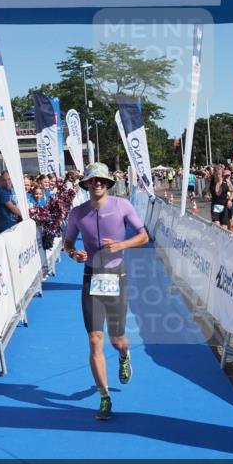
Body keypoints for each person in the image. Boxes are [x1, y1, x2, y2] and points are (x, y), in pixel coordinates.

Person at [63, 163, 149, 421]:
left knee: (117, 339)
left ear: (108, 184)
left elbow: (144, 236)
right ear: (86, 184)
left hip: (115, 276)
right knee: (94, 339)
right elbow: (68, 242)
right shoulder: (78, 213)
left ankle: (124, 353)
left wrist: (121, 245)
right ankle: (104, 397)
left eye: (101, 180)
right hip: (91, 276)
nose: (97, 183)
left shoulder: (122, 206)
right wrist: (74, 253)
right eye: (92, 180)